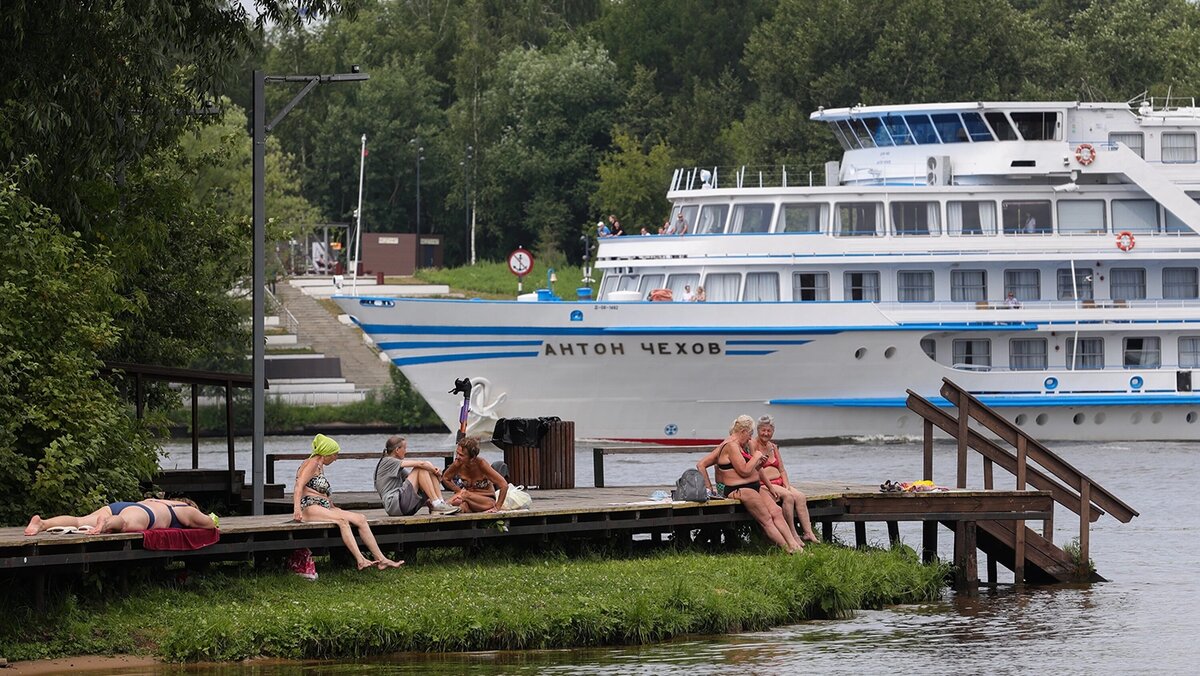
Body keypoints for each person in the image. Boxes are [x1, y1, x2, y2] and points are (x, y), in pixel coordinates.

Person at [293, 433, 403, 570]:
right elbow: (299, 486)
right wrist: (296, 509)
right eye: (335, 455)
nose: (336, 458)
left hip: (323, 506)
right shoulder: (312, 463)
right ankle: (360, 560)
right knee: (342, 521)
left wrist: (333, 506)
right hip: (309, 506)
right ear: (326, 453)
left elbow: (320, 492)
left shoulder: (320, 466)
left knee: (361, 518)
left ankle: (381, 559)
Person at [702, 415, 801, 553]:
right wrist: (709, 487)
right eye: (750, 434)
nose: (750, 438)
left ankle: (795, 545)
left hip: (755, 486)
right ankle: (787, 549)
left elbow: (756, 470)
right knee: (766, 519)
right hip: (739, 489)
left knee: (777, 512)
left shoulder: (745, 445)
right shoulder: (730, 445)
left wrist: (770, 487)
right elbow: (744, 471)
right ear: (743, 431)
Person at [751, 415, 818, 544]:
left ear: (773, 432)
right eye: (763, 430)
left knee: (800, 496)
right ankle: (792, 533)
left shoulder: (773, 447)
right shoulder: (753, 444)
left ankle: (808, 532)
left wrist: (786, 484)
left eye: (769, 431)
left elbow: (782, 469)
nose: (766, 433)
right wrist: (778, 488)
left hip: (779, 482)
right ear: (758, 430)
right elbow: (756, 469)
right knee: (788, 496)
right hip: (764, 484)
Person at [25, 497, 218, 536]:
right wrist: (212, 518)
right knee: (124, 523)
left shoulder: (158, 500)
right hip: (147, 515)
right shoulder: (185, 509)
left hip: (128, 505)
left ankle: (41, 523)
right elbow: (209, 524)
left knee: (79, 521)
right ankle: (106, 523)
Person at [375, 435, 459, 516]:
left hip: (400, 506)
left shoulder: (396, 466)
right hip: (394, 504)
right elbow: (421, 464)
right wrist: (435, 470)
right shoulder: (388, 461)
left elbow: (417, 480)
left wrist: (433, 472)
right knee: (421, 468)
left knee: (427, 470)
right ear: (397, 450)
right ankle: (436, 504)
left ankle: (440, 503)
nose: (406, 451)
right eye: (404, 448)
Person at [441, 436, 509, 513]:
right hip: (468, 500)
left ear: (472, 457)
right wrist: (458, 490)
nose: (457, 457)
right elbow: (446, 478)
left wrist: (497, 507)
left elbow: (504, 485)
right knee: (462, 506)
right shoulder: (458, 463)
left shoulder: (481, 464)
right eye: (457, 453)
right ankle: (448, 510)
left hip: (486, 501)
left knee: (464, 494)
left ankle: (443, 505)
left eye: (461, 455)